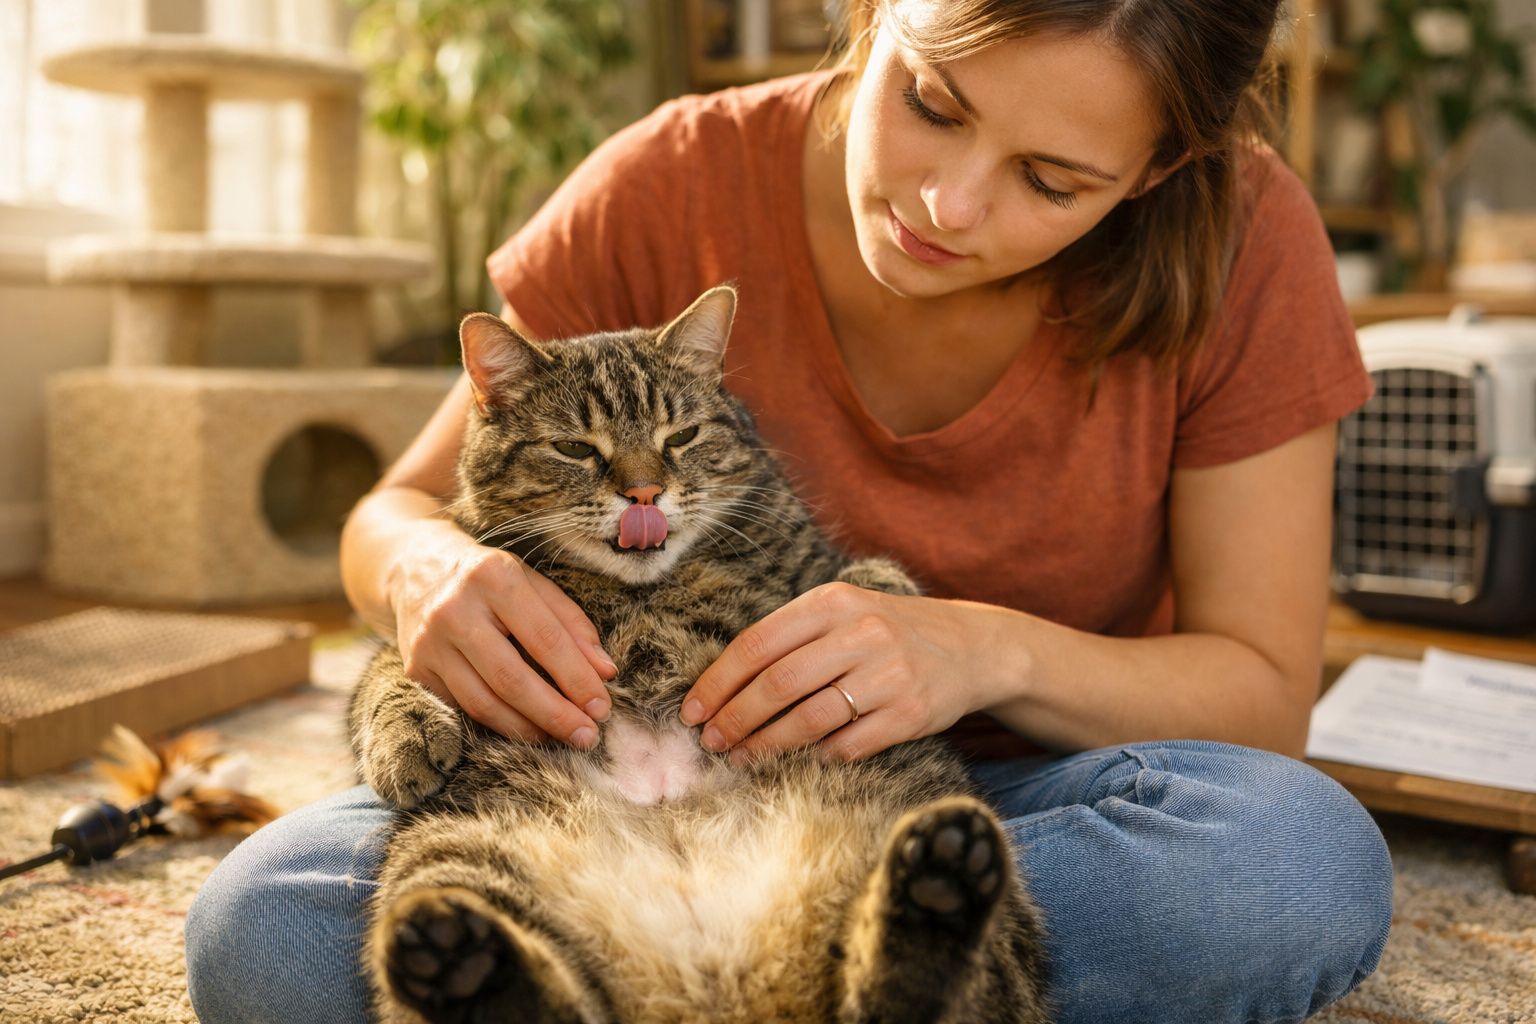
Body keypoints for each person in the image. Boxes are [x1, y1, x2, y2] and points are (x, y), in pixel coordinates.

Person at [185, 1, 1394, 1021]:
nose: (948, 204)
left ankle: (699, 964)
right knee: (260, 925)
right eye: (932, 103)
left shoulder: (1247, 237)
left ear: (1159, 168)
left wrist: (989, 652)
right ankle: (855, 980)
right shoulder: (668, 181)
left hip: (931, 806)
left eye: (1049, 180)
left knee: (1293, 863)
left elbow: (1261, 695)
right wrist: (427, 570)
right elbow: (391, 512)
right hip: (576, 807)